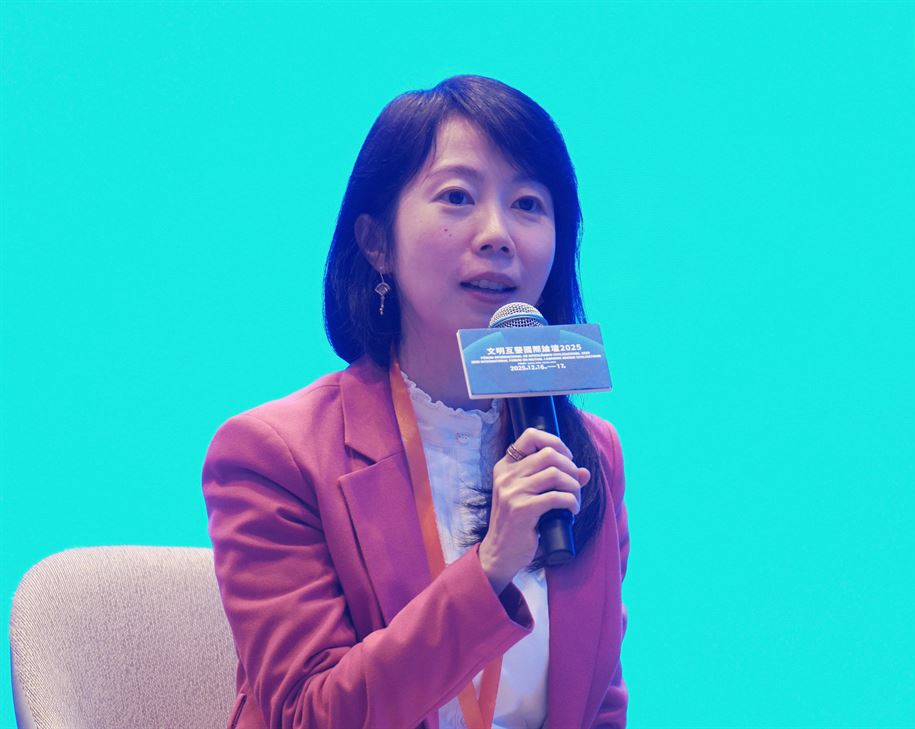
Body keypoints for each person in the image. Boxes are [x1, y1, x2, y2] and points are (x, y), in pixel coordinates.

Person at [202, 75, 629, 729]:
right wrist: (490, 566)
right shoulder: (274, 455)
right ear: (377, 242)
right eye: (457, 196)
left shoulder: (587, 451)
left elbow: (596, 705)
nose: (498, 234)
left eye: (528, 204)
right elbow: (310, 715)